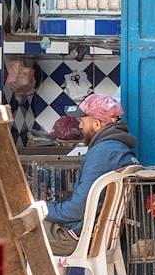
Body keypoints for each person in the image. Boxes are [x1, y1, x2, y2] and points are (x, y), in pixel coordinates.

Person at [44, 94, 139, 255]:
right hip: (97, 235)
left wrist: (42, 209)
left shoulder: (103, 153)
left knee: (14, 228)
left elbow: (76, 210)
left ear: (97, 123)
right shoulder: (119, 149)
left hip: (77, 239)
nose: (79, 125)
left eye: (82, 120)